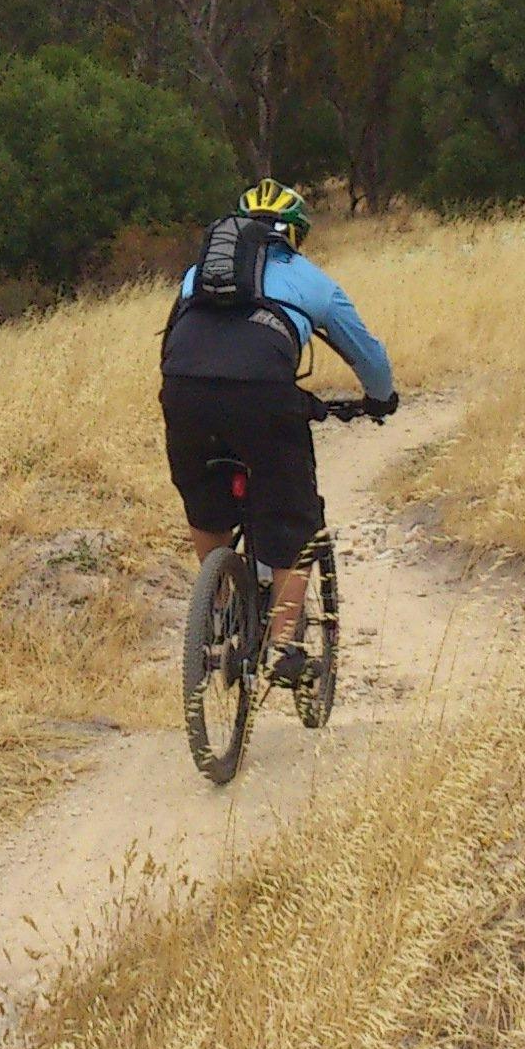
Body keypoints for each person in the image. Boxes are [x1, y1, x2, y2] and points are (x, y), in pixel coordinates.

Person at [157, 180, 397, 692]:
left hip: (184, 393)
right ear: (296, 235)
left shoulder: (198, 275)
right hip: (261, 399)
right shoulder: (310, 279)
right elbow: (368, 356)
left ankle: (219, 606)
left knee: (204, 500)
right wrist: (381, 398)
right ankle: (284, 645)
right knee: (291, 515)